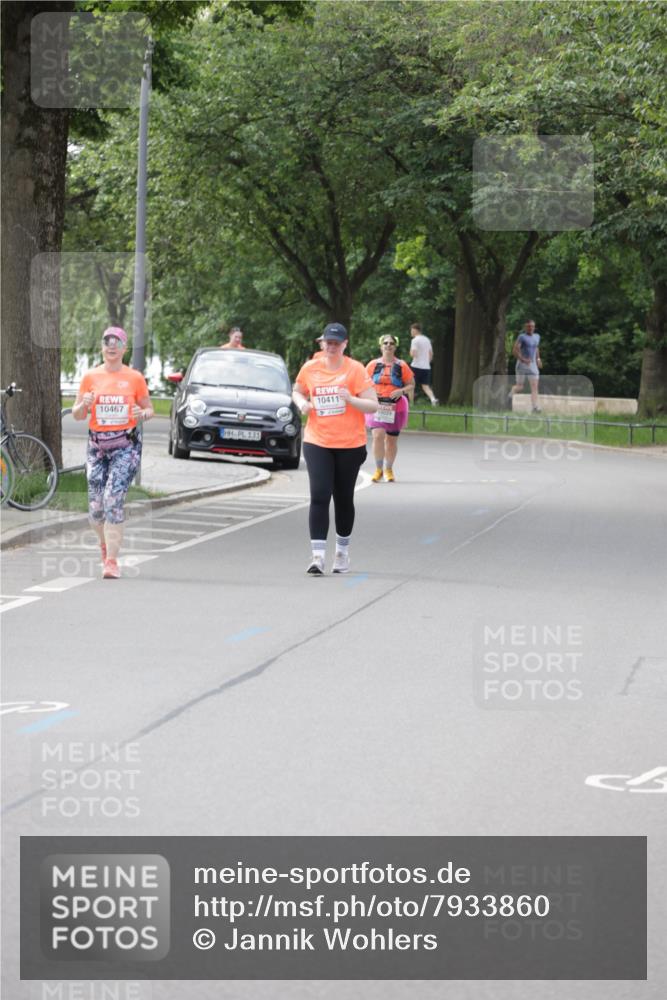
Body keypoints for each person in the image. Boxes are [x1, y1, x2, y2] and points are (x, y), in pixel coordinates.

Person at [292, 322, 378, 575]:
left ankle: (342, 552)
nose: (331, 347)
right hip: (317, 440)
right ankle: (317, 557)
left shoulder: (355, 370)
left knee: (343, 498)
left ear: (344, 345)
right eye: (327, 342)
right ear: (322, 343)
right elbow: (297, 390)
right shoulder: (310, 368)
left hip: (350, 443)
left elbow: (372, 405)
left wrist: (351, 399)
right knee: (319, 494)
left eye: (336, 343)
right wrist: (301, 403)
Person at [73, 327, 153, 579]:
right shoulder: (90, 377)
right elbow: (77, 414)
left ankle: (111, 562)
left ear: (124, 349)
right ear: (102, 348)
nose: (111, 346)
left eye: (116, 342)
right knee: (96, 507)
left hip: (125, 447)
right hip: (97, 448)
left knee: (113, 499)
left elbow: (148, 409)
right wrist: (83, 405)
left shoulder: (134, 378)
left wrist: (144, 415)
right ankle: (104, 544)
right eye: (107, 342)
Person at [365, 335, 414, 483]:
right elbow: (363, 383)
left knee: (391, 441)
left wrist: (401, 391)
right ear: (381, 346)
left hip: (395, 407)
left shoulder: (402, 365)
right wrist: (370, 394)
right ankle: (378, 469)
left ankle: (388, 469)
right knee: (378, 435)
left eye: (391, 343)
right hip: (377, 405)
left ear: (395, 346)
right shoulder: (372, 365)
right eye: (385, 343)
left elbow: (411, 384)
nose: (388, 345)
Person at [509, 319, 542, 412]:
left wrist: (538, 359)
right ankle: (509, 396)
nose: (530, 328)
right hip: (522, 365)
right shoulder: (522, 337)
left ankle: (535, 407)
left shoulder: (537, 336)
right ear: (525, 327)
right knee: (520, 387)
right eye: (528, 326)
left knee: (534, 386)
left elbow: (536, 348)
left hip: (533, 365)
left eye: (532, 326)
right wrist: (523, 359)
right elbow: (514, 350)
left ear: (534, 327)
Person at [409, 323, 438, 405]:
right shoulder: (427, 340)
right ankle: (433, 400)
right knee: (425, 386)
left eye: (411, 330)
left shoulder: (415, 340)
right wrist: (426, 362)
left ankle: (411, 403)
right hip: (426, 367)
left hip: (416, 366)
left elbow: (413, 353)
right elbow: (431, 354)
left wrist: (412, 354)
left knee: (411, 385)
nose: (411, 332)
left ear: (415, 330)